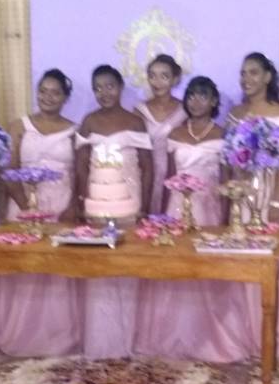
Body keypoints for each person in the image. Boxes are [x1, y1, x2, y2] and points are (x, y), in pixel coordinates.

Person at [135, 77, 254, 361]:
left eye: (203, 96)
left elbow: (227, 180)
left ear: (213, 101)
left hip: (209, 207)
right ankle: (171, 337)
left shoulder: (224, 134)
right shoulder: (175, 133)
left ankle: (212, 339)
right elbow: (168, 178)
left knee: (208, 270)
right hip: (176, 209)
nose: (196, 101)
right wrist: (160, 216)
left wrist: (227, 219)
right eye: (191, 96)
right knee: (175, 269)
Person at [0, 69, 81, 357]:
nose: (48, 97)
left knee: (57, 267)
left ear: (65, 98)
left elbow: (80, 171)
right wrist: (26, 206)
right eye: (43, 91)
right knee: (25, 266)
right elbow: (9, 168)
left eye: (55, 92)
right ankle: (21, 336)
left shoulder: (75, 129)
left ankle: (60, 338)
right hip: (23, 202)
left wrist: (73, 205)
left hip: (60, 202)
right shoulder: (19, 125)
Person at [74, 64, 151, 358]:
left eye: (109, 86)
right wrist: (81, 199)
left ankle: (128, 340)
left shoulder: (135, 122)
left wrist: (146, 205)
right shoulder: (89, 121)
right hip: (98, 200)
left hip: (129, 200)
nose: (103, 93)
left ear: (120, 88)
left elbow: (147, 166)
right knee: (99, 267)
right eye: (98, 88)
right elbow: (81, 165)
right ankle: (100, 341)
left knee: (128, 264)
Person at [226, 52, 279, 355]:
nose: (246, 79)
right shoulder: (235, 112)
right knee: (236, 260)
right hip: (239, 192)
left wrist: (277, 203)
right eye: (243, 73)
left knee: (263, 261)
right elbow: (229, 159)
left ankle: (264, 334)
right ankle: (239, 335)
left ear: (267, 77)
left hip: (266, 192)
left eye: (253, 72)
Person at [135, 54, 187, 214]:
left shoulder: (185, 110)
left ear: (175, 79)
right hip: (147, 173)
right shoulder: (139, 110)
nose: (157, 82)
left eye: (164, 77)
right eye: (152, 76)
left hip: (177, 172)